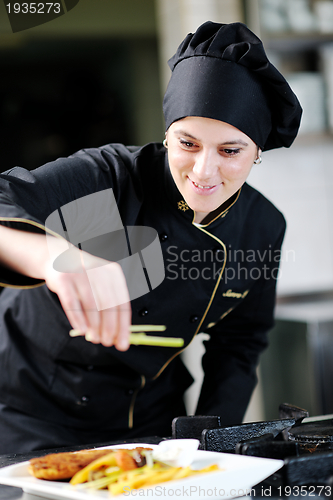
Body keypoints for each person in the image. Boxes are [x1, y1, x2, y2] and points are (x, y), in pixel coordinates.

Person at [0, 21, 302, 454]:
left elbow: (239, 344)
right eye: (188, 143)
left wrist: (214, 444)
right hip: (32, 409)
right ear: (166, 134)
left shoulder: (262, 227)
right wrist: (53, 256)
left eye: (230, 151)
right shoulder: (110, 176)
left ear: (258, 152)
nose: (203, 171)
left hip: (151, 416)